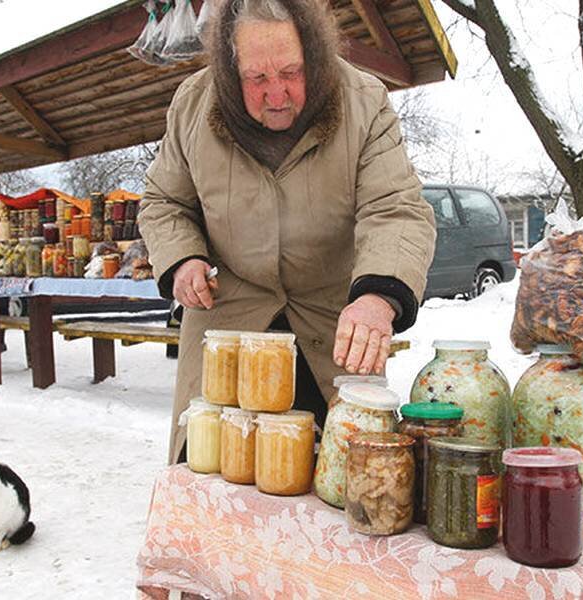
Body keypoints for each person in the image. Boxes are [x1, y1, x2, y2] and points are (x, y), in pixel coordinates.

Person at [137, 0, 437, 464]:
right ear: (230, 68)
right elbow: (163, 202)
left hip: (331, 324)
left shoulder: (363, 99)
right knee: (213, 482)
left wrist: (378, 298)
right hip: (227, 325)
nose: (276, 93)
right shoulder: (194, 103)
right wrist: (183, 260)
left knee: (344, 481)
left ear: (314, 56)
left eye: (291, 72)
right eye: (257, 78)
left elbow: (396, 208)